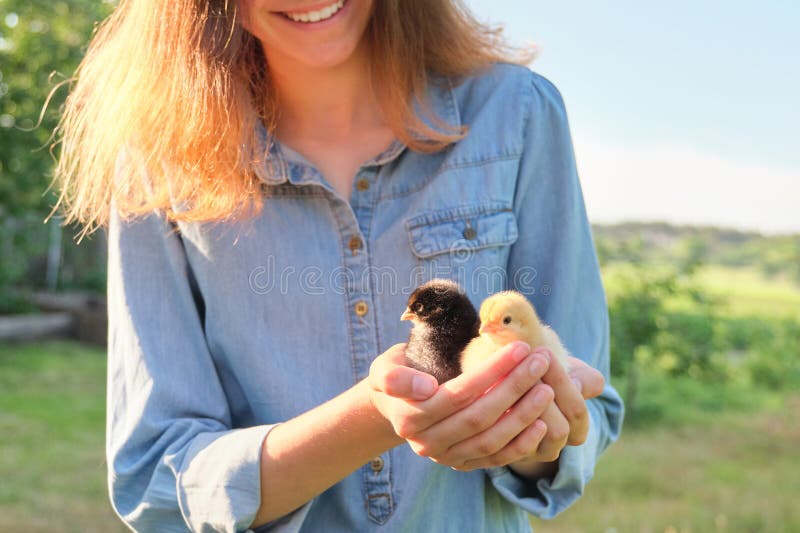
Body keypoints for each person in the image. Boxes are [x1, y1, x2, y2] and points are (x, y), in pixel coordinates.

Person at [53, 0, 624, 531]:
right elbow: (157, 471)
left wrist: (531, 434)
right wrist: (372, 416)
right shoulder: (157, 161)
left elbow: (584, 411)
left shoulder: (518, 114)